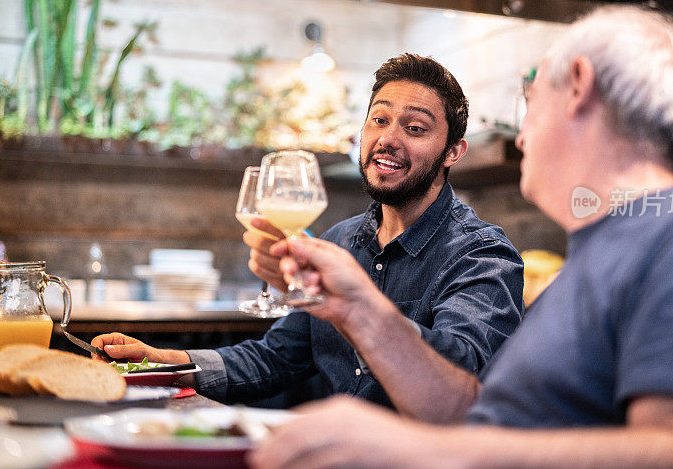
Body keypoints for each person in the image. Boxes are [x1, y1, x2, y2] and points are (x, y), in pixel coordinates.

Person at [248, 6, 673, 468]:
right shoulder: (598, 263)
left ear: (578, 84)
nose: (522, 134)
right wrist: (356, 308)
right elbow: (479, 419)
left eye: (530, 102)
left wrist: (427, 451)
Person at [92, 53, 525, 410]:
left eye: (415, 128)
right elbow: (277, 357)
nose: (389, 138)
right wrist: (165, 363)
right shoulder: (340, 240)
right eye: (379, 120)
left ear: (453, 152)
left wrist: (357, 306)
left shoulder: (482, 255)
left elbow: (461, 387)